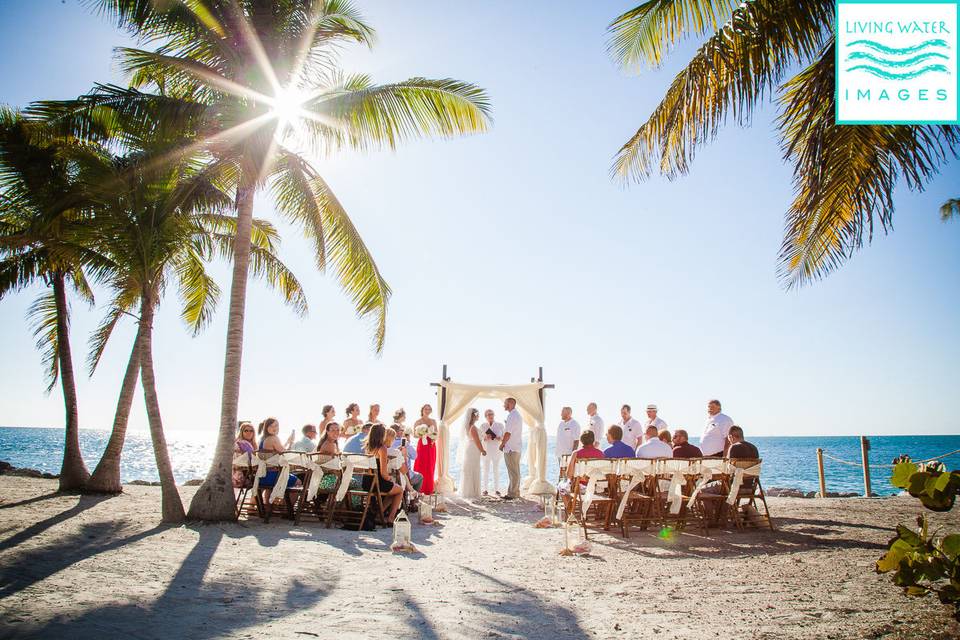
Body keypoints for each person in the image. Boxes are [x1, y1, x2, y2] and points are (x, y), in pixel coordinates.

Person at [362, 423, 403, 523]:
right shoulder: (382, 448)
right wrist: (390, 478)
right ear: (381, 435)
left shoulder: (368, 448)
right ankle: (390, 518)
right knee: (400, 490)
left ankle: (378, 514)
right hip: (377, 483)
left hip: (367, 482)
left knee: (393, 490)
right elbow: (383, 474)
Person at [499, 397, 523, 499]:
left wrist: (502, 444)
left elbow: (508, 433)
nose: (504, 405)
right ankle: (514, 492)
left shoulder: (512, 416)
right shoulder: (515, 415)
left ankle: (513, 494)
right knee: (514, 471)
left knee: (513, 472)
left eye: (505, 403)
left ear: (511, 404)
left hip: (511, 448)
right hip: (515, 446)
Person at [459, 408, 484, 499]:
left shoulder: (469, 426)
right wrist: (482, 450)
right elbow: (477, 441)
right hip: (474, 448)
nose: (479, 416)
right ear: (474, 415)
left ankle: (469, 490)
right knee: (473, 468)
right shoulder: (472, 427)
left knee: (470, 468)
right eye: (478, 414)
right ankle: (471, 492)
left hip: (471, 448)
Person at [413, 404, 438, 495]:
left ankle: (429, 488)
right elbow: (414, 435)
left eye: (429, 409)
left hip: (431, 445)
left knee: (430, 466)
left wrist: (433, 439)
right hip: (422, 445)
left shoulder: (433, 421)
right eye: (426, 409)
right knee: (421, 464)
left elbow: (436, 433)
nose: (427, 410)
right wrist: (421, 434)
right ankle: (419, 488)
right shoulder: (418, 421)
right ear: (422, 410)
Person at [390, 424, 423, 493]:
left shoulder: (385, 444)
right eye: (401, 430)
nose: (402, 432)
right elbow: (415, 456)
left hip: (390, 475)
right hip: (403, 475)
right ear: (397, 432)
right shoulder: (404, 443)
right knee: (420, 477)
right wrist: (408, 443)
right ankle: (413, 498)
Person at [480, 409, 504, 496]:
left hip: (496, 450)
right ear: (485, 416)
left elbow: (503, 437)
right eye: (488, 414)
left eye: (492, 414)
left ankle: (497, 489)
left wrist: (499, 438)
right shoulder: (483, 426)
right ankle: (485, 489)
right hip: (486, 450)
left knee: (496, 470)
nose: (490, 416)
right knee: (485, 470)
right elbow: (480, 438)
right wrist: (485, 438)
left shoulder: (500, 425)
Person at [233, 422, 256, 488]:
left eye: (251, 431)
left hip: (238, 477)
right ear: (241, 432)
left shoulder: (243, 443)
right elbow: (252, 462)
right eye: (246, 430)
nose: (249, 432)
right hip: (242, 478)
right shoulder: (242, 443)